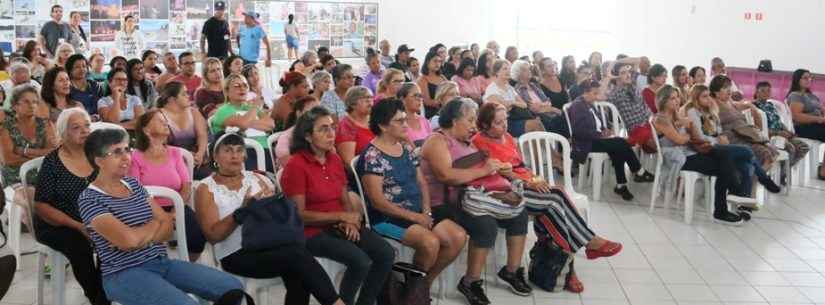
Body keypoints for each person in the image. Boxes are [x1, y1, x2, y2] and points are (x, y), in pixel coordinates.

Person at [77, 128, 243, 305]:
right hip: (123, 274)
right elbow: (130, 241)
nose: (126, 157)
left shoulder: (133, 184)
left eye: (127, 150)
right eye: (117, 152)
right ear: (99, 160)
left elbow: (166, 227)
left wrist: (139, 235)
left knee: (232, 287)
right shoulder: (90, 198)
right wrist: (150, 228)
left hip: (160, 262)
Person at [472, 102, 623, 292]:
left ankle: (570, 264)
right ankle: (586, 245)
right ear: (485, 125)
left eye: (505, 121)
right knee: (555, 202)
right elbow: (503, 173)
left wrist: (535, 179)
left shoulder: (508, 137)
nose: (504, 126)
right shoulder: (480, 141)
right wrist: (529, 182)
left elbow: (522, 166)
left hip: (523, 184)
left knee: (556, 204)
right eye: (498, 123)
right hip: (505, 192)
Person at [194, 132, 344, 305]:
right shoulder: (206, 188)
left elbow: (277, 219)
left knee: (298, 264)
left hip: (268, 244)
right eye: (227, 150)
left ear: (244, 154)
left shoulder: (259, 179)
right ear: (215, 156)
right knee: (297, 259)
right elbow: (213, 236)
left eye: (239, 150)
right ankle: (336, 302)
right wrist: (241, 212)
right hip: (235, 254)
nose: (234, 156)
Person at [420, 98, 531, 305]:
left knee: (518, 215)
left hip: (468, 198)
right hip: (442, 205)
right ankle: (470, 281)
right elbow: (446, 176)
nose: (474, 126)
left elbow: (476, 172)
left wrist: (498, 169)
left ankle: (511, 271)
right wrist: (485, 169)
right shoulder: (438, 141)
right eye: (470, 120)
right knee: (485, 225)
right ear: (454, 120)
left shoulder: (465, 140)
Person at [282, 106, 394, 305]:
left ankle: (365, 302)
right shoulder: (296, 165)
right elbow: (298, 215)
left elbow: (344, 200)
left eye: (332, 127)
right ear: (308, 137)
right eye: (323, 129)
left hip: (339, 224)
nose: (331, 133)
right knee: (360, 261)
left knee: (385, 253)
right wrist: (341, 217)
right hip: (309, 232)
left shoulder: (333, 159)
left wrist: (350, 220)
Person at [357, 99, 466, 298]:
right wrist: (416, 218)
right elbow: (378, 202)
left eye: (405, 120)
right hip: (386, 217)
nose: (406, 125)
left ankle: (419, 287)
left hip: (417, 211)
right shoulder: (372, 156)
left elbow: (421, 182)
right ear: (382, 125)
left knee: (457, 237)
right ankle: (416, 292)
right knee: (430, 243)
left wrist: (426, 211)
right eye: (399, 121)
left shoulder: (404, 148)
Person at [33, 108, 109, 305]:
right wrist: (78, 225)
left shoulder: (99, 156)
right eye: (76, 127)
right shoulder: (53, 162)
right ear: (63, 133)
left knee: (110, 237)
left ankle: (105, 289)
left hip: (93, 219)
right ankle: (99, 299)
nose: (85, 131)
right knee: (78, 244)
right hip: (58, 223)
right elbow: (41, 206)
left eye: (87, 125)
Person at [653, 84, 745, 225]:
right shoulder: (661, 119)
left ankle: (731, 198)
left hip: (687, 153)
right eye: (672, 98)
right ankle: (729, 201)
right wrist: (687, 130)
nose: (677, 101)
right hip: (677, 159)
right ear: (663, 101)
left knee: (725, 157)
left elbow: (696, 137)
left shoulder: (675, 115)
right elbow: (680, 140)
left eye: (677, 97)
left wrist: (690, 127)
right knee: (724, 163)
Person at [683, 84, 780, 206]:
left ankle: (743, 205)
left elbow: (717, 130)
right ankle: (763, 179)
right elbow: (699, 137)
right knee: (746, 150)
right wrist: (718, 140)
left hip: (719, 145)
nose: (709, 99)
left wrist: (720, 137)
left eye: (708, 96)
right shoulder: (693, 112)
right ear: (696, 99)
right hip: (706, 148)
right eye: (704, 97)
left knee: (747, 167)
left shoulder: (710, 110)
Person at [129, 110, 207, 262]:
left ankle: (186, 267)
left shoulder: (176, 153)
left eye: (165, 120)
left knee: (198, 239)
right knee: (145, 244)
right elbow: (135, 190)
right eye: (160, 120)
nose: (166, 123)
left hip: (176, 206)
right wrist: (162, 216)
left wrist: (173, 213)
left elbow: (186, 186)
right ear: (146, 130)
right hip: (147, 209)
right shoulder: (135, 156)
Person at [569, 80, 655, 200]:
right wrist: (599, 135)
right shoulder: (577, 106)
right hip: (586, 143)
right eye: (594, 93)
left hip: (596, 139)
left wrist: (606, 130)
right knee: (621, 143)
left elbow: (597, 122)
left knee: (619, 146)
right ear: (585, 92)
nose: (597, 96)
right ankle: (638, 171)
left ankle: (621, 185)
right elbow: (579, 132)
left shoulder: (589, 103)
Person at [712, 75, 778, 169]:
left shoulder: (730, 102)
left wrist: (753, 108)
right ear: (716, 92)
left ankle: (752, 180)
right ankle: (751, 180)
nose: (729, 90)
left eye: (729, 87)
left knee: (771, 151)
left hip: (744, 136)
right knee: (765, 154)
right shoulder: (713, 103)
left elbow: (748, 106)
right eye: (724, 88)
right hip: (732, 138)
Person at [210, 74, 275, 170]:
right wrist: (256, 107)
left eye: (245, 85)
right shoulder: (223, 111)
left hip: (266, 149)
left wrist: (247, 122)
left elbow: (271, 125)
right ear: (227, 91)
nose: (242, 88)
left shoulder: (249, 107)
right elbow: (244, 124)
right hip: (243, 153)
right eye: (237, 86)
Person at [483, 59, 544, 138]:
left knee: (537, 124)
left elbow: (524, 105)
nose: (508, 71)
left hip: (516, 118)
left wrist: (512, 103)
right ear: (497, 72)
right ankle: (550, 150)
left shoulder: (510, 88)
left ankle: (546, 149)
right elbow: (502, 108)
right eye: (505, 69)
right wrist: (512, 103)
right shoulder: (492, 89)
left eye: (509, 69)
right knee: (536, 124)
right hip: (502, 122)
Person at [157, 82, 209, 171]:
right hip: (171, 162)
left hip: (196, 160)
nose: (188, 96)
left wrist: (200, 154)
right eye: (184, 94)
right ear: (172, 99)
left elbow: (202, 135)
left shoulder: (194, 112)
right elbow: (160, 144)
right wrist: (184, 155)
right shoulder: (158, 115)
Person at [786, 69, 825, 179]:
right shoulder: (795, 95)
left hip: (816, 125)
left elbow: (822, 109)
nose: (809, 80)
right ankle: (823, 171)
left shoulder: (812, 96)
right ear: (797, 80)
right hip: (802, 127)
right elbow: (797, 117)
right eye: (805, 78)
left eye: (810, 78)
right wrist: (819, 119)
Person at [607, 62, 655, 148]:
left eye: (628, 72)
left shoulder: (634, 87)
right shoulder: (614, 94)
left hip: (650, 123)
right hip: (636, 130)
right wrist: (609, 76)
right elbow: (600, 97)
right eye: (623, 73)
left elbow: (638, 60)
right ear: (616, 77)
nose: (628, 75)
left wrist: (618, 61)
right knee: (653, 139)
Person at [274, 96, 321, 167]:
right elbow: (287, 162)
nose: (317, 116)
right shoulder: (287, 136)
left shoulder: (322, 133)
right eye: (312, 112)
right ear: (299, 113)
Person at [336, 86, 375, 166]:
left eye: (371, 97)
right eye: (365, 98)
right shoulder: (346, 126)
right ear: (352, 104)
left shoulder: (376, 119)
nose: (370, 101)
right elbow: (349, 163)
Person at [418, 52, 448, 119]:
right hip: (431, 114)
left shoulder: (442, 77)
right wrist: (443, 102)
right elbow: (427, 101)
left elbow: (450, 90)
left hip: (445, 110)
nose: (437, 64)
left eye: (439, 61)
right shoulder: (422, 79)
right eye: (435, 61)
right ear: (427, 62)